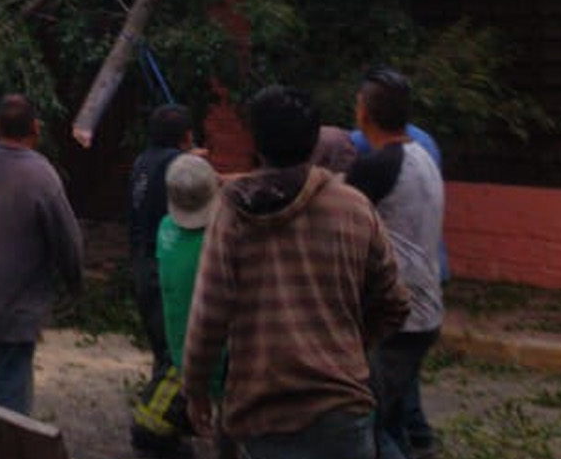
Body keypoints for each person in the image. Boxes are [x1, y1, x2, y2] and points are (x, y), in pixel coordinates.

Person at [182, 85, 409, 459]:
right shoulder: (354, 207)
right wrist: (351, 345)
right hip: (343, 411)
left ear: (257, 140)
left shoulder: (234, 212)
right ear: (314, 138)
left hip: (264, 411)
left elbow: (210, 314)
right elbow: (395, 302)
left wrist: (195, 389)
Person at [0, 93, 85, 416]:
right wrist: (74, 282)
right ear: (36, 128)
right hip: (16, 304)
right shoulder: (42, 176)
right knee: (11, 395)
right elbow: (67, 240)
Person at [346, 69, 445, 459]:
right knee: (391, 418)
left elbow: (332, 210)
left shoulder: (378, 167)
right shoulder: (422, 155)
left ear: (365, 113)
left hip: (396, 319)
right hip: (425, 311)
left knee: (365, 426)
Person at [151, 154, 232, 459]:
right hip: (219, 362)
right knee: (229, 435)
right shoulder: (217, 241)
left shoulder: (165, 230)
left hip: (182, 355)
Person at [130, 106, 196, 382]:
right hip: (165, 266)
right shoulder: (177, 163)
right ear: (186, 136)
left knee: (162, 348)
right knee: (175, 354)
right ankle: (160, 407)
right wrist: (193, 164)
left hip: (142, 263)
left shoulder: (142, 161)